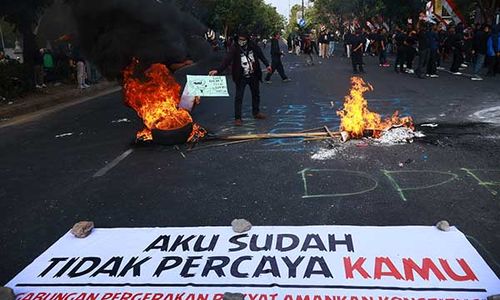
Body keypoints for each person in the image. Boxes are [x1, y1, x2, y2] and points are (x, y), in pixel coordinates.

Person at [209, 31, 271, 126]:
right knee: (239, 97)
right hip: (241, 76)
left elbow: (261, 55)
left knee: (256, 94)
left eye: (243, 39)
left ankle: (256, 112)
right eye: (240, 39)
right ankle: (238, 118)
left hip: (253, 75)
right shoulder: (234, 48)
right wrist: (218, 70)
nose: (241, 41)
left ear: (247, 39)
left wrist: (267, 65)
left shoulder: (252, 45)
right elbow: (227, 60)